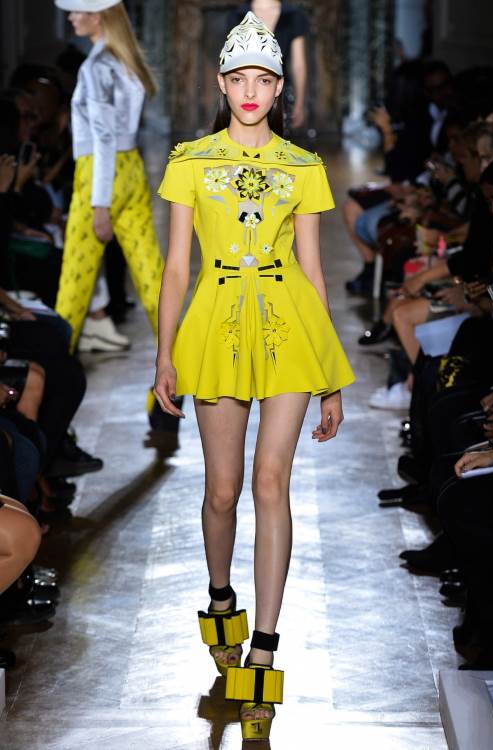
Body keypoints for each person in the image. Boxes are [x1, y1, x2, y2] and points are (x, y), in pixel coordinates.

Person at [154, 12, 355, 741]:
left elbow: (314, 271)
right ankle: (220, 600)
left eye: (262, 80)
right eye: (237, 78)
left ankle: (264, 649)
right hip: (214, 323)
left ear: (277, 89)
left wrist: (330, 375)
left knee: (272, 482)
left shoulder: (304, 166)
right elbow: (177, 266)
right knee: (222, 489)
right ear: (220, 83)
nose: (249, 91)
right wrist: (164, 353)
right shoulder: (189, 161)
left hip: (288, 325)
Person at [53, 0, 164, 352]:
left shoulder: (96, 66)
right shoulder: (127, 61)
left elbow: (103, 137)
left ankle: (52, 369)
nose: (71, 17)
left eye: (78, 11)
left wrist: (100, 203)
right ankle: (183, 363)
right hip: (131, 168)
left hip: (99, 174)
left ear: (98, 16)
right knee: (151, 275)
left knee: (75, 281)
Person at [227, 1, 308, 130]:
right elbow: (229, 62)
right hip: (246, 90)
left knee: (278, 136)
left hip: (280, 91)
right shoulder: (238, 15)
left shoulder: (293, 15)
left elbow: (298, 64)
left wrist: (299, 103)